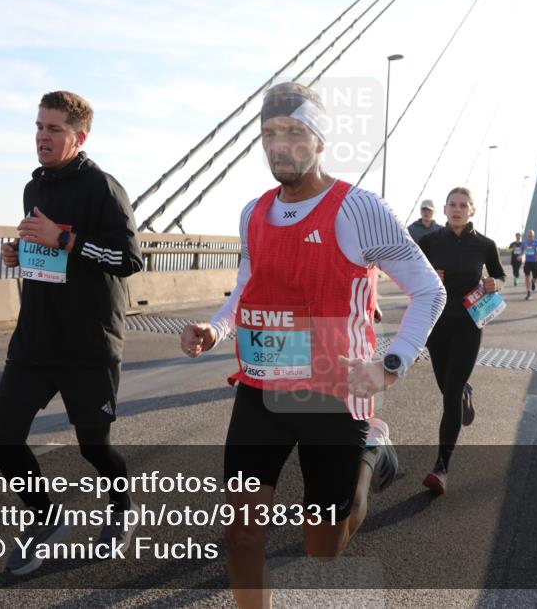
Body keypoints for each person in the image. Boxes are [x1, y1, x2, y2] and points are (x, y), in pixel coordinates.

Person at [179, 82, 445, 608]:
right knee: (242, 533)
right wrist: (217, 328)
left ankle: (369, 458)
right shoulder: (253, 212)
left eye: (295, 132)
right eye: (270, 133)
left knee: (322, 548)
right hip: (260, 391)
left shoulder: (359, 208)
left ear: (320, 141)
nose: (280, 145)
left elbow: (428, 290)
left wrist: (389, 365)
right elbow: (249, 285)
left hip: (333, 396)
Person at [0, 91, 144, 575]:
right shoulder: (33, 189)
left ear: (79, 137)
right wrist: (22, 253)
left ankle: (122, 509)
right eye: (39, 126)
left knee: (93, 446)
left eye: (54, 129)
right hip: (35, 338)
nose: (42, 136)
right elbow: (48, 256)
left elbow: (128, 260)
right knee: (3, 439)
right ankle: (46, 519)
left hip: (88, 344)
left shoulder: (103, 187)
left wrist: (67, 239)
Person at [417, 187, 505, 495]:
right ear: (444, 209)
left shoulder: (485, 245)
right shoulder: (429, 242)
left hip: (469, 326)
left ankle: (441, 467)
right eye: (452, 204)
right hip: (437, 326)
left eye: (463, 205)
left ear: (472, 210)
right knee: (447, 390)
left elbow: (500, 276)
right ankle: (464, 390)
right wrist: (429, 279)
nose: (457, 209)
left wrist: (495, 284)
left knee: (450, 394)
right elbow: (412, 275)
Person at [521, 229, 537, 299]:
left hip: (535, 262)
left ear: (533, 236)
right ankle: (528, 292)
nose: (530, 236)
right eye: (529, 235)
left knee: (535, 277)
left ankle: (533, 282)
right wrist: (521, 256)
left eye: (531, 235)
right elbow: (522, 252)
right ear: (527, 236)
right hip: (527, 262)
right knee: (527, 276)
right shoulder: (524, 243)